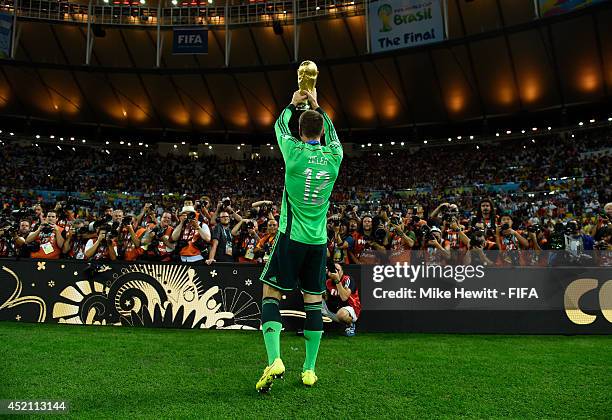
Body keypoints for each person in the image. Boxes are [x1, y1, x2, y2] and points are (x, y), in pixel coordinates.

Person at [256, 88, 342, 392]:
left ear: (301, 131)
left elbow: (280, 125)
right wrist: (319, 106)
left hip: (290, 238)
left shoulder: (292, 152)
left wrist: (293, 103)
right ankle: (308, 369)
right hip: (318, 243)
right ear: (321, 128)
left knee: (270, 294)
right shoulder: (334, 157)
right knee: (314, 305)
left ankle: (275, 359)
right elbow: (331, 134)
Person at [321, 263, 361, 337]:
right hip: (334, 310)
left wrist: (337, 281)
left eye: (338, 270)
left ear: (342, 271)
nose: (336, 272)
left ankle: (350, 325)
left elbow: (344, 297)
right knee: (314, 300)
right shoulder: (328, 282)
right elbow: (326, 298)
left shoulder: (347, 279)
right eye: (334, 270)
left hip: (351, 310)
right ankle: (313, 327)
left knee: (341, 314)